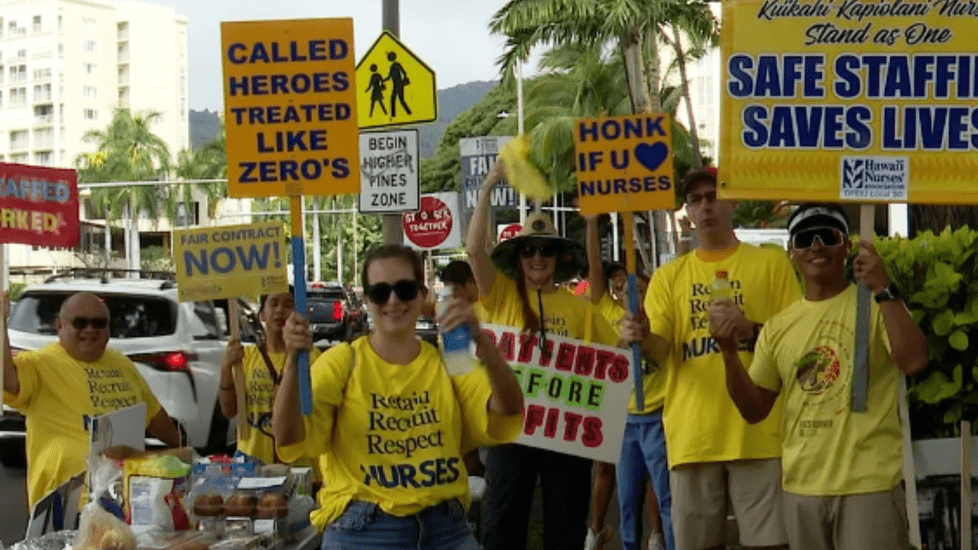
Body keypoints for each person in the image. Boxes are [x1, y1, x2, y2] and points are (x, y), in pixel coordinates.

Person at [272, 245, 523, 550]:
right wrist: (291, 364)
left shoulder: (451, 360)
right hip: (364, 530)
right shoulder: (342, 361)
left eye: (404, 289)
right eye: (380, 292)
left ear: (423, 294)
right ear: (367, 300)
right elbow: (287, 436)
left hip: (446, 527)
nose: (393, 301)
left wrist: (482, 343)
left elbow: (508, 408)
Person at [712, 203, 928, 550]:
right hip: (801, 488)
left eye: (827, 236)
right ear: (791, 251)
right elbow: (754, 409)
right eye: (804, 237)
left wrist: (885, 288)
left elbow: (914, 360)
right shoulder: (777, 328)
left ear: (846, 246)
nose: (816, 245)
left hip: (867, 486)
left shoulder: (876, 306)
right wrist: (728, 353)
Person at [621, 166, 801, 550]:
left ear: (732, 200)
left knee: (770, 544)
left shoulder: (770, 265)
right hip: (693, 438)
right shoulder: (670, 277)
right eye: (695, 199)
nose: (706, 206)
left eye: (713, 195)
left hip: (760, 437)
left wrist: (749, 327)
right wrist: (641, 335)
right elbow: (662, 350)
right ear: (687, 211)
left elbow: (795, 341)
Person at [467, 161, 620, 550]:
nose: (538, 257)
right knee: (502, 526)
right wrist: (486, 190)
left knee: (565, 530)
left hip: (565, 435)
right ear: (518, 256)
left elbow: (613, 358)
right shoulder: (499, 294)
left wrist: (635, 336)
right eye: (530, 250)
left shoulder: (581, 309)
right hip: (510, 431)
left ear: (559, 258)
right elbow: (473, 250)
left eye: (546, 250)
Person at [2, 291, 180, 510]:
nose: (90, 330)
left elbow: (154, 415)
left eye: (99, 323)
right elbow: (7, 380)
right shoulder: (40, 363)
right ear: (60, 326)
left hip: (127, 502)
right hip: (68, 507)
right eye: (80, 323)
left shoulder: (121, 363)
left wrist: (182, 452)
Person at [583, 215, 670, 550]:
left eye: (631, 281)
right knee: (627, 497)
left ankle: (661, 537)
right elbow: (593, 267)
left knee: (663, 493)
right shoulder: (605, 310)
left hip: (659, 416)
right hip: (622, 420)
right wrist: (591, 223)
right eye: (616, 283)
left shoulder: (660, 314)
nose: (623, 287)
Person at [218, 288, 320, 464]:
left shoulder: (313, 359)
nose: (280, 310)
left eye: (288, 304)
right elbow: (229, 410)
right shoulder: (245, 357)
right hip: (252, 467)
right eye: (273, 303)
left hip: (299, 466)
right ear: (262, 314)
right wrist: (225, 368)